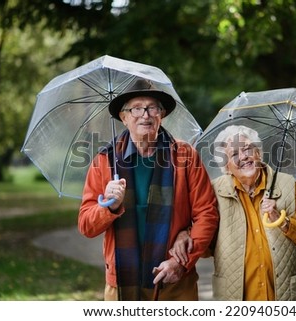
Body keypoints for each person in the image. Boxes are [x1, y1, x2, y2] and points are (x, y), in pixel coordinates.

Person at [78, 78, 219, 301]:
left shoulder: (185, 155)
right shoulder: (104, 161)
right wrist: (110, 207)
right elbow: (86, 225)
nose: (145, 114)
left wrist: (180, 261)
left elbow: (207, 213)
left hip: (175, 282)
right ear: (123, 118)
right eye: (136, 108)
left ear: (161, 114)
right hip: (122, 284)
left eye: (152, 107)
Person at [171, 125, 296, 301]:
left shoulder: (287, 185)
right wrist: (185, 234)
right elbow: (204, 244)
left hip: (284, 297)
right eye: (234, 154)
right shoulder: (213, 192)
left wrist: (283, 221)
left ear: (258, 153)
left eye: (248, 149)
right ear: (226, 166)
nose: (243, 157)